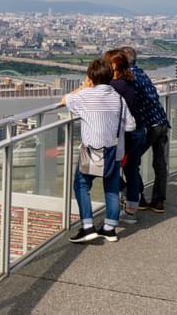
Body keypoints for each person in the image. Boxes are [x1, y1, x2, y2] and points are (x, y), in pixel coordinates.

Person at [62, 58, 136, 243]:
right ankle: (110, 228)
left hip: (91, 151)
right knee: (111, 189)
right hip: (113, 150)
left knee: (81, 185)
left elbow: (65, 100)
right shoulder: (118, 98)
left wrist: (84, 87)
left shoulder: (84, 96)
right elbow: (131, 126)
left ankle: (87, 227)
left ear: (91, 77)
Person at [120, 46, 170, 213]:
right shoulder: (141, 73)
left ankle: (137, 197)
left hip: (149, 126)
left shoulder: (129, 77)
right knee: (160, 164)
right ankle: (158, 201)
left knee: (129, 163)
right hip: (162, 122)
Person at [107, 53, 147, 224]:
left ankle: (123, 194)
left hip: (127, 133)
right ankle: (131, 211)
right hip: (139, 130)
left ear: (115, 66)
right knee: (131, 169)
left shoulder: (114, 86)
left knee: (108, 169)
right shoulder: (130, 82)